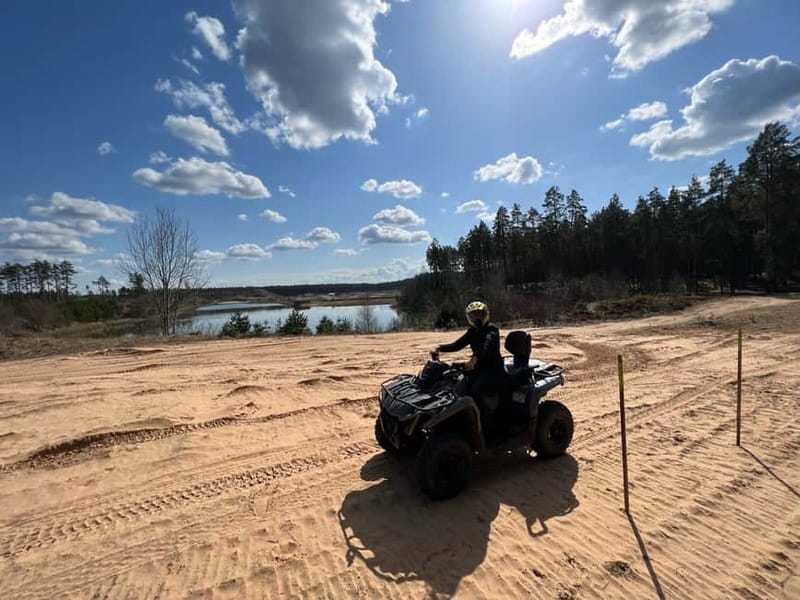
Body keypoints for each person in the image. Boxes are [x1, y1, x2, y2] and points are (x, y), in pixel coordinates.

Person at [435, 301, 504, 430]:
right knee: (456, 385)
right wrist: (440, 349)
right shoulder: (472, 332)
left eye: (479, 314)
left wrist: (475, 358)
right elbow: (457, 345)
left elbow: (486, 346)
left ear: (486, 315)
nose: (477, 318)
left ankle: (486, 425)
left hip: (493, 369)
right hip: (478, 368)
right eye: (473, 316)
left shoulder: (492, 330)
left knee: (475, 391)